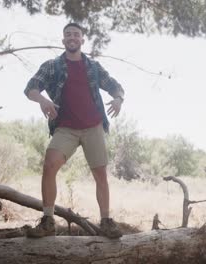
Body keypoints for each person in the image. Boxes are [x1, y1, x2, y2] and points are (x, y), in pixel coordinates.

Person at [24, 22, 125, 239]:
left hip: (93, 127)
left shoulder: (93, 67)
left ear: (82, 40)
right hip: (66, 128)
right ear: (63, 40)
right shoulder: (52, 66)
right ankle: (48, 221)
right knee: (49, 165)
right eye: (68, 34)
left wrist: (118, 99)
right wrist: (42, 100)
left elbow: (116, 86)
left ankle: (106, 221)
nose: (72, 38)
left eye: (76, 35)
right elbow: (30, 87)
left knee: (100, 175)